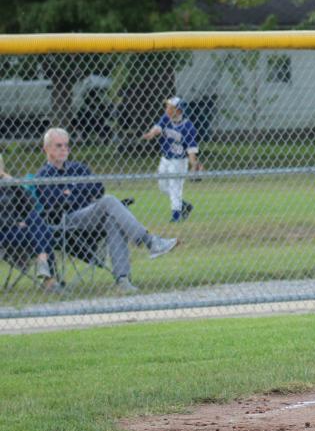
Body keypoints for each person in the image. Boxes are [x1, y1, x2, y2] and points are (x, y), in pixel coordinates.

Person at [34, 127, 178, 294]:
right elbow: (56, 203)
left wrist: (70, 193)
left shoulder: (78, 168)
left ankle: (122, 280)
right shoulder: (43, 175)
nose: (64, 149)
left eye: (66, 145)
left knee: (112, 220)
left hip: (92, 214)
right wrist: (79, 193)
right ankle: (150, 241)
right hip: (66, 220)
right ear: (46, 149)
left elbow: (97, 189)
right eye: (58, 146)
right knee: (109, 201)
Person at [1, 157, 60, 293]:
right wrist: (14, 222)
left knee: (36, 221)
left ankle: (42, 260)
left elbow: (30, 204)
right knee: (44, 231)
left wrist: (15, 184)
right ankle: (48, 278)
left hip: (22, 230)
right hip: (4, 232)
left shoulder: (7, 184)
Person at [141, 97, 200, 222]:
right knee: (162, 187)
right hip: (165, 158)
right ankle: (184, 206)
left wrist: (193, 164)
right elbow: (158, 127)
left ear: (178, 111)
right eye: (167, 106)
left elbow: (191, 149)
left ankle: (176, 216)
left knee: (175, 187)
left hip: (179, 161)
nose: (167, 109)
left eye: (170, 107)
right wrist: (151, 134)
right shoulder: (166, 118)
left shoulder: (188, 127)